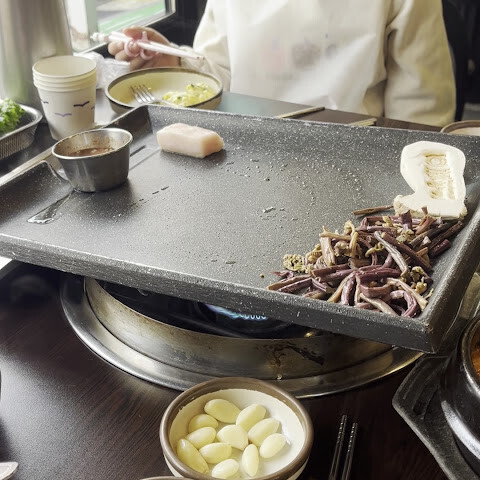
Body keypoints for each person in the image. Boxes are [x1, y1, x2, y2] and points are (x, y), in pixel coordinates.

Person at [108, 0, 456, 127]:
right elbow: (221, 74)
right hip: (243, 156)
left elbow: (420, 117)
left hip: (354, 161)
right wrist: (175, 62)